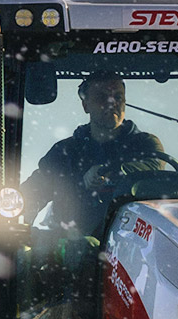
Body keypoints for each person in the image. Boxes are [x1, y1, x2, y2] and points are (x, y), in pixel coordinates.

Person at [22, 70, 169, 236]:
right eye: (101, 97)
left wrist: (109, 172)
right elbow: (32, 193)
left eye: (118, 97)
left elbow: (152, 170)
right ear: (85, 105)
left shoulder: (145, 145)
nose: (112, 102)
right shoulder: (64, 152)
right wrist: (17, 214)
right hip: (68, 251)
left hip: (132, 247)